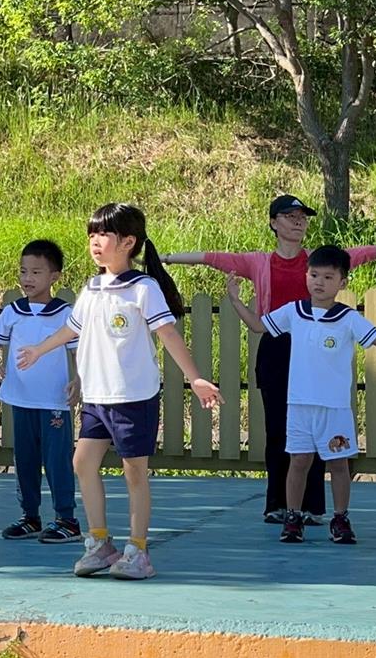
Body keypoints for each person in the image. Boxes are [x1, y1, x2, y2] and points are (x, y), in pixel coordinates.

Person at [164, 195, 376, 525]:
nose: (298, 221)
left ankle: (312, 507)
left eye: (302, 216)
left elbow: (369, 252)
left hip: (316, 351)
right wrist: (165, 258)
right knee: (278, 430)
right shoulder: (258, 262)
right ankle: (278, 505)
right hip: (276, 345)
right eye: (289, 216)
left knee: (318, 432)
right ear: (273, 222)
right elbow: (210, 258)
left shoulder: (320, 262)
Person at [17, 203, 223, 580]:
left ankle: (139, 551)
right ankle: (100, 544)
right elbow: (72, 329)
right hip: (97, 397)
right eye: (91, 235)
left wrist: (195, 378)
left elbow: (168, 334)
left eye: (103, 234)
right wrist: (39, 350)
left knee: (134, 473)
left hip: (133, 398)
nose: (95, 242)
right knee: (82, 462)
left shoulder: (143, 289)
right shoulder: (92, 288)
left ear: (128, 242)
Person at [227, 246, 376, 543]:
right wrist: (235, 300)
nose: (319, 282)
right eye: (314, 275)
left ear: (342, 282)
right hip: (300, 406)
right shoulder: (294, 311)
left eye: (328, 277)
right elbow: (258, 326)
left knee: (338, 464)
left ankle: (340, 518)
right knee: (298, 462)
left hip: (334, 409)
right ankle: (293, 518)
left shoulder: (348, 318)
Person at [0, 240, 81, 543]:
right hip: (20, 398)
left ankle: (67, 519)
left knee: (57, 460)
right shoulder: (12, 311)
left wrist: (78, 380)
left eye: (36, 272)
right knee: (25, 459)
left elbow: (78, 352)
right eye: (23, 271)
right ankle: (30, 517)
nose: (28, 278)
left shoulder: (65, 313)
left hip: (54, 400)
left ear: (55, 277)